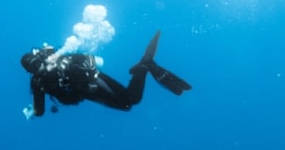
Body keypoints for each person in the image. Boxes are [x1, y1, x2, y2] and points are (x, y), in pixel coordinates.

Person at [20, 30, 191, 118]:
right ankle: (143, 67)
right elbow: (97, 61)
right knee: (129, 103)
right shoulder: (48, 71)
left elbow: (40, 111)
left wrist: (30, 113)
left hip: (92, 86)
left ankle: (144, 66)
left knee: (130, 102)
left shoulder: (37, 82)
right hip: (93, 84)